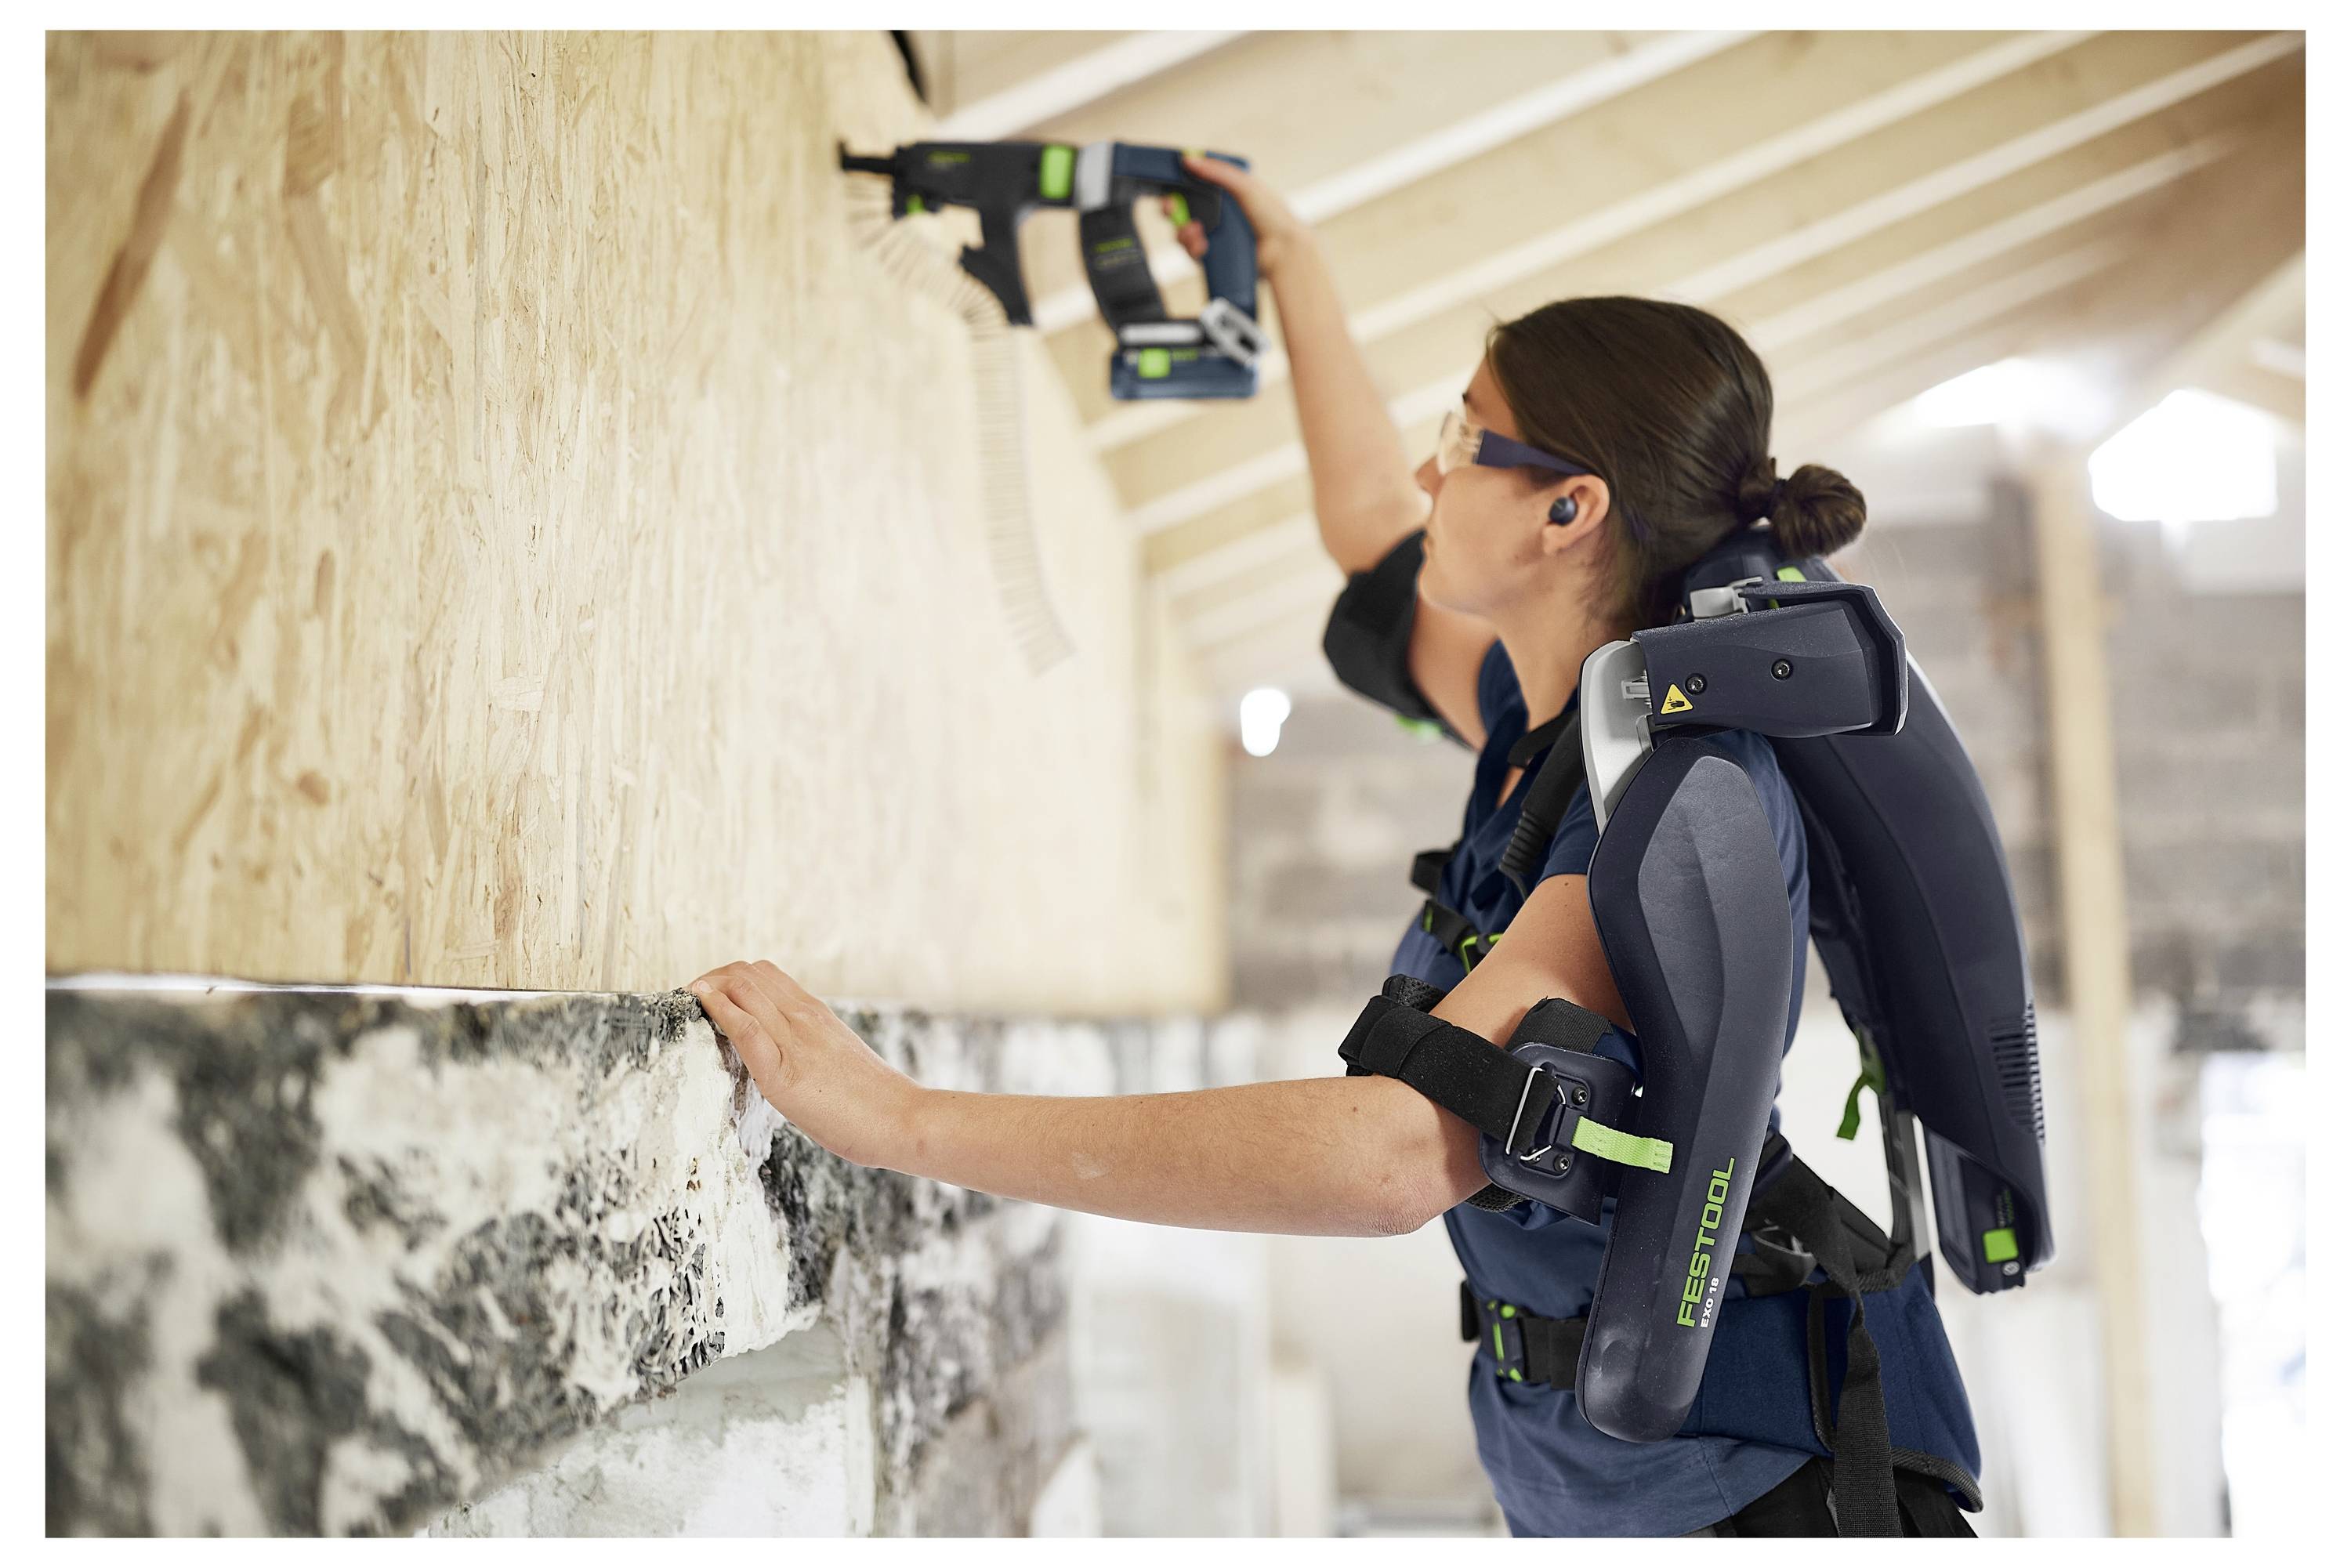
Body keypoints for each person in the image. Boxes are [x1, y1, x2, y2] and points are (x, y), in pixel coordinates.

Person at [693, 155, 1979, 1537]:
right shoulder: (1550, 722)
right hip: (1618, 1483)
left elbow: (1397, 1153)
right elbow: (1373, 526)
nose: (1433, 465)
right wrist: (1288, 262)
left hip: (1770, 1494)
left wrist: (903, 1122)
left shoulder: (1676, 803)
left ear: (1569, 510)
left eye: (1466, 436)